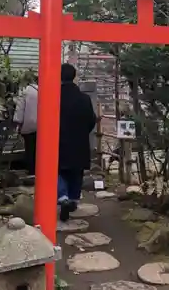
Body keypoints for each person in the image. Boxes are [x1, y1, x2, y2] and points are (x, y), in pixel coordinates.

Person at [58, 63, 97, 221]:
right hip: (79, 141)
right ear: (74, 76)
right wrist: (82, 132)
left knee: (58, 171)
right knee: (76, 171)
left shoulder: (53, 96)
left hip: (58, 141)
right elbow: (91, 120)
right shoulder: (84, 98)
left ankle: (62, 197)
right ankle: (73, 199)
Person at [13, 75, 38, 175]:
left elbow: (20, 108)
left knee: (30, 148)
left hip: (29, 125)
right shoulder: (44, 90)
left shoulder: (25, 92)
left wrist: (17, 122)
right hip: (43, 125)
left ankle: (32, 170)